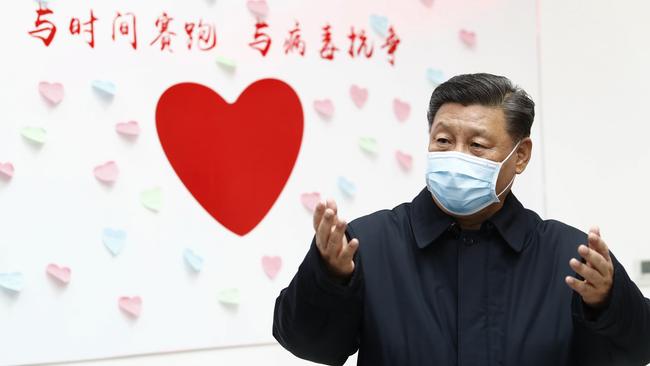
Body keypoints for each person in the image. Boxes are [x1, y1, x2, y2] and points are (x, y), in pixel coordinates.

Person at [272, 73, 650, 366]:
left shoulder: (570, 256)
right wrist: (330, 277)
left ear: (520, 156)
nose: (456, 156)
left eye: (477, 145)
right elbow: (310, 345)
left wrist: (605, 303)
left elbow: (633, 352)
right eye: (443, 141)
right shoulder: (369, 244)